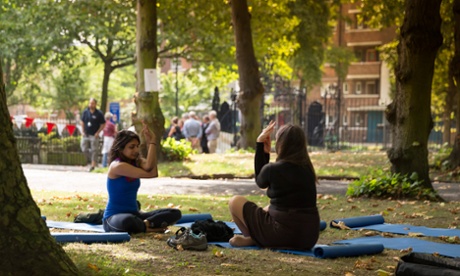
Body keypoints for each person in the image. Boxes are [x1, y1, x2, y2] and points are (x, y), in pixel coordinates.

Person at [228, 121, 320, 250]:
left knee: (235, 201)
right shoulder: (308, 169)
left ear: (281, 144)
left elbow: (260, 181)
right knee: (268, 208)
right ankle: (256, 238)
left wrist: (261, 147)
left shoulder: (273, 169)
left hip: (280, 234)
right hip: (307, 238)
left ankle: (254, 238)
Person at [102, 123, 182, 234]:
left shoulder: (137, 161)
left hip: (136, 215)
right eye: (131, 147)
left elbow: (152, 171)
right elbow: (150, 173)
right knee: (128, 221)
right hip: (113, 218)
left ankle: (146, 225)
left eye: (137, 146)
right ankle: (148, 227)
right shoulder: (117, 166)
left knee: (175, 213)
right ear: (120, 149)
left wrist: (152, 142)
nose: (136, 150)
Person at [80, 98, 105, 172]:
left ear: (95, 104)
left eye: (93, 103)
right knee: (83, 148)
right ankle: (91, 161)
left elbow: (103, 124)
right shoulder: (85, 112)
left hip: (94, 135)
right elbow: (82, 122)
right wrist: (83, 131)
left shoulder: (99, 113)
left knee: (94, 150)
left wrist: (98, 132)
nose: (91, 105)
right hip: (86, 134)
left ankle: (93, 165)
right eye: (90, 103)